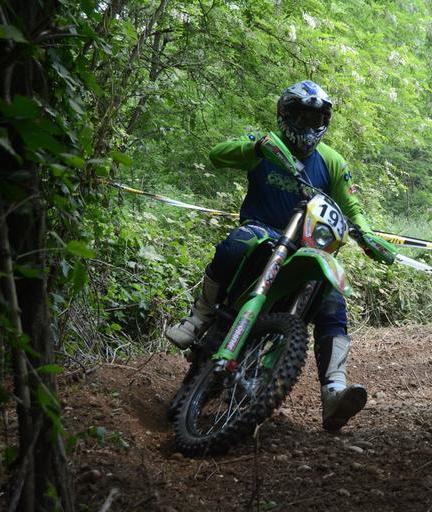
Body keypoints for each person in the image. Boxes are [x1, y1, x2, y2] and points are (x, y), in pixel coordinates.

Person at [166, 80, 397, 432]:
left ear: (325, 121)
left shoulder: (331, 161)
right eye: (301, 116)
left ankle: (334, 390)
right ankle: (199, 316)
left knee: (333, 298)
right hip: (262, 232)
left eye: (315, 118)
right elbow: (218, 154)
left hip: (306, 246)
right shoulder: (267, 143)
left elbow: (351, 207)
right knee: (237, 242)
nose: (307, 124)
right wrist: (256, 148)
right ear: (285, 115)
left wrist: (367, 235)